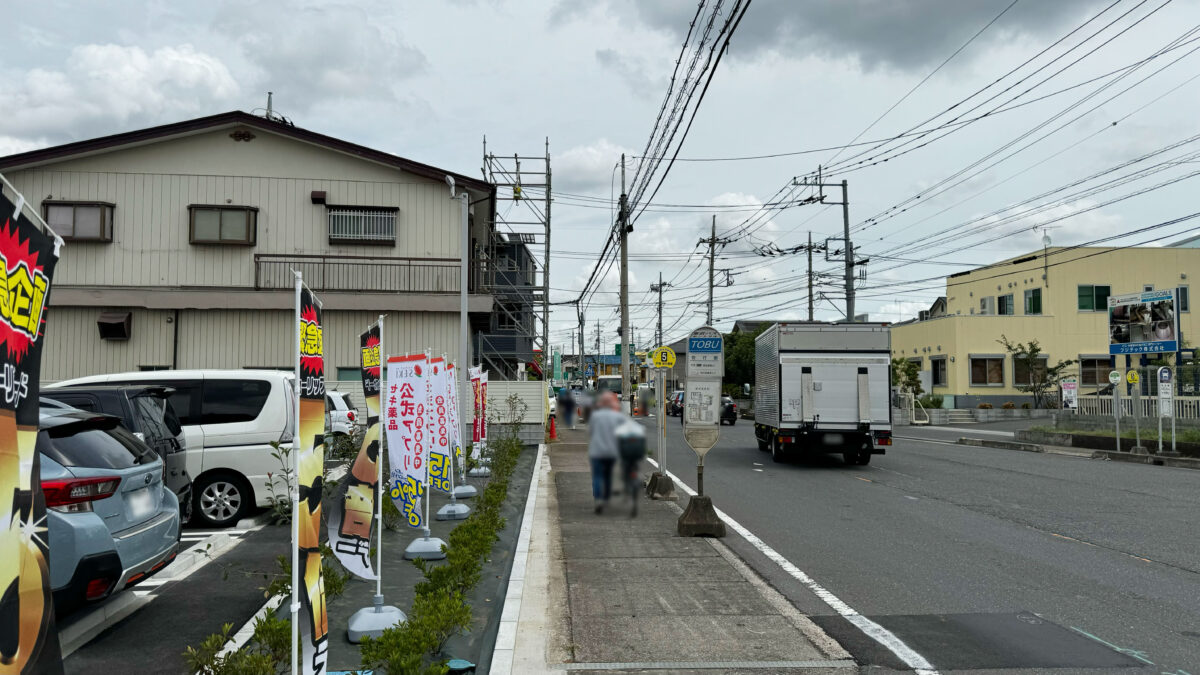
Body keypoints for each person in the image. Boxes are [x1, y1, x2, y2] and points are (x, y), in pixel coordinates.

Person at [587, 391, 624, 514]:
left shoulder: (595, 416)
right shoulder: (617, 417)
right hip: (611, 452)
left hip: (597, 451)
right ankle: (606, 498)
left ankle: (598, 500)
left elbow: (590, 432)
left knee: (597, 476)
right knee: (608, 475)